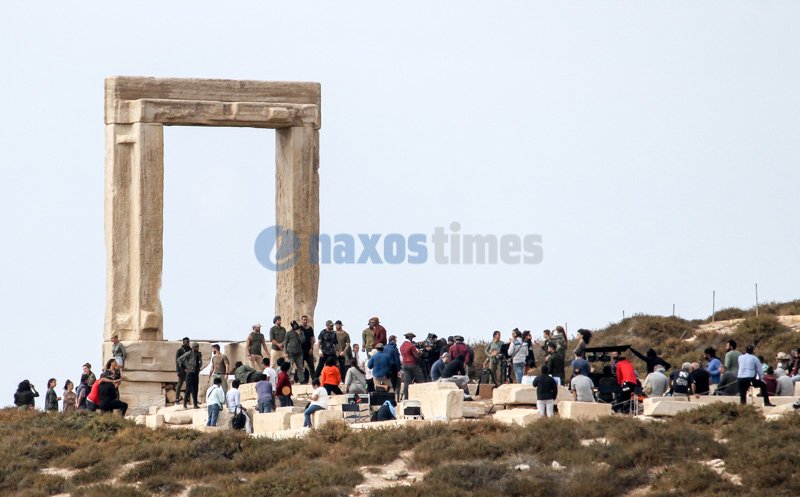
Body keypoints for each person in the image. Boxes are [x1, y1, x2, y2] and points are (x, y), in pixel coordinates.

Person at [400, 332, 425, 401]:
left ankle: (406, 398)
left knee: (407, 382)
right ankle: (424, 396)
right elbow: (416, 356)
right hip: (412, 364)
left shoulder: (402, 346)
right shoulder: (411, 346)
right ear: (411, 337)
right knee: (421, 380)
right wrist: (420, 352)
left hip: (404, 364)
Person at [177, 342, 202, 409]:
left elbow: (199, 363)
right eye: (195, 347)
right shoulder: (189, 353)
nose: (196, 349)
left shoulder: (198, 354)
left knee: (195, 389)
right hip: (190, 373)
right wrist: (184, 368)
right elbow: (179, 360)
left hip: (196, 373)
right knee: (188, 389)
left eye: (196, 347)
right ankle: (184, 405)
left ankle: (195, 404)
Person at [285, 320, 305, 384]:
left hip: (299, 353)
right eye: (293, 325)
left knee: (300, 368)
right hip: (291, 353)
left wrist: (299, 334)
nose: (295, 326)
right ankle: (286, 380)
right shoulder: (288, 333)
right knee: (289, 368)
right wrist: (286, 352)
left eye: (296, 325)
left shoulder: (301, 332)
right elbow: (285, 343)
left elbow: (303, 341)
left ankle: (302, 380)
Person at [174, 338, 191, 403]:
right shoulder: (179, 351)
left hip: (189, 371)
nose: (187, 343)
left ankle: (187, 400)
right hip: (181, 370)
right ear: (183, 342)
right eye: (186, 342)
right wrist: (177, 371)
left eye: (188, 342)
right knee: (179, 384)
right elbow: (177, 361)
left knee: (189, 385)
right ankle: (177, 399)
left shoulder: (190, 350)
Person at [300, 315, 316, 382]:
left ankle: (314, 380)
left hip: (308, 349)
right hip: (301, 350)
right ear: (302, 320)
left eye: (306, 320)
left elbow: (312, 339)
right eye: (304, 320)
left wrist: (311, 348)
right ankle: (302, 380)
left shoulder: (310, 329)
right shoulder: (299, 328)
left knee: (311, 366)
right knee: (301, 366)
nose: (305, 321)